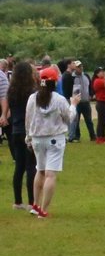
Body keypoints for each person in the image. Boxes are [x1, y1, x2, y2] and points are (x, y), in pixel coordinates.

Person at [26, 66, 72, 217]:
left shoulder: (33, 98)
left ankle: (35, 205)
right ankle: (43, 210)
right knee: (50, 174)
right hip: (55, 138)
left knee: (40, 170)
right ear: (55, 82)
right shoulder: (59, 99)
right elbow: (69, 117)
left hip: (37, 139)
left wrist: (29, 137)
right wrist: (75, 105)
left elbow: (28, 119)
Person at [7, 60, 38, 209]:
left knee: (19, 167)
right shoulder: (32, 91)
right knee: (31, 166)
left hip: (16, 129)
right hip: (29, 130)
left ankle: (18, 201)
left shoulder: (11, 91)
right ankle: (32, 202)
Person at [65, 59, 95, 143]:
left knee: (89, 120)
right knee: (76, 120)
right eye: (78, 67)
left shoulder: (86, 75)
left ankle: (93, 135)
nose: (80, 68)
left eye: (81, 66)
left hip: (86, 101)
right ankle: (77, 136)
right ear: (75, 68)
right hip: (77, 102)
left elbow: (90, 86)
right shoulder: (72, 77)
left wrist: (91, 94)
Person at [92, 66, 105, 142]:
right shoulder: (98, 81)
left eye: (103, 71)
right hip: (101, 102)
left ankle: (103, 136)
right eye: (101, 72)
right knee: (101, 120)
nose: (103, 73)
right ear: (97, 74)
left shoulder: (103, 79)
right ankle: (99, 137)